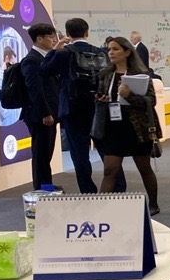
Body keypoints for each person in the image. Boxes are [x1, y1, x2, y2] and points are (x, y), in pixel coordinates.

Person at [42, 17, 125, 193]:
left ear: (67, 33)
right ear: (87, 32)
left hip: (72, 110)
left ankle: (88, 191)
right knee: (107, 150)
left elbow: (44, 70)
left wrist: (54, 50)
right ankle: (118, 188)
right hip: (99, 107)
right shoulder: (101, 52)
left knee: (79, 154)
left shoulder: (63, 54)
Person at [93, 36, 160, 214]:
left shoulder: (142, 74)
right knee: (109, 170)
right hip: (113, 127)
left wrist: (129, 95)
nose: (111, 52)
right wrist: (101, 99)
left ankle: (153, 204)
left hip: (137, 128)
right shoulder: (105, 74)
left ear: (127, 52)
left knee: (144, 168)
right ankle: (100, 209)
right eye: (109, 49)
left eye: (115, 49)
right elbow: (99, 95)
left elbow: (150, 101)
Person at [20, 24, 60, 190]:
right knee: (41, 153)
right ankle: (41, 187)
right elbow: (34, 89)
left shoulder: (46, 58)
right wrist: (45, 113)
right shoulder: (32, 60)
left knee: (46, 151)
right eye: (51, 37)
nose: (54, 40)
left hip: (50, 112)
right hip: (39, 115)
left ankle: (46, 184)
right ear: (39, 39)